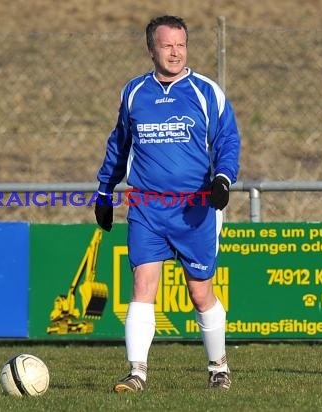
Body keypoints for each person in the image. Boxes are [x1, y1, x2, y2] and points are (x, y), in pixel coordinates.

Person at [94, 15, 240, 392]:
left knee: (199, 291)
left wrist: (223, 178)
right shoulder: (134, 93)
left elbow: (228, 140)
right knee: (143, 285)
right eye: (166, 45)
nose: (175, 52)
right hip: (146, 207)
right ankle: (136, 372)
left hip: (195, 208)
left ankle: (218, 366)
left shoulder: (206, 92)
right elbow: (119, 144)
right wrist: (104, 191)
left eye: (181, 45)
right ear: (151, 49)